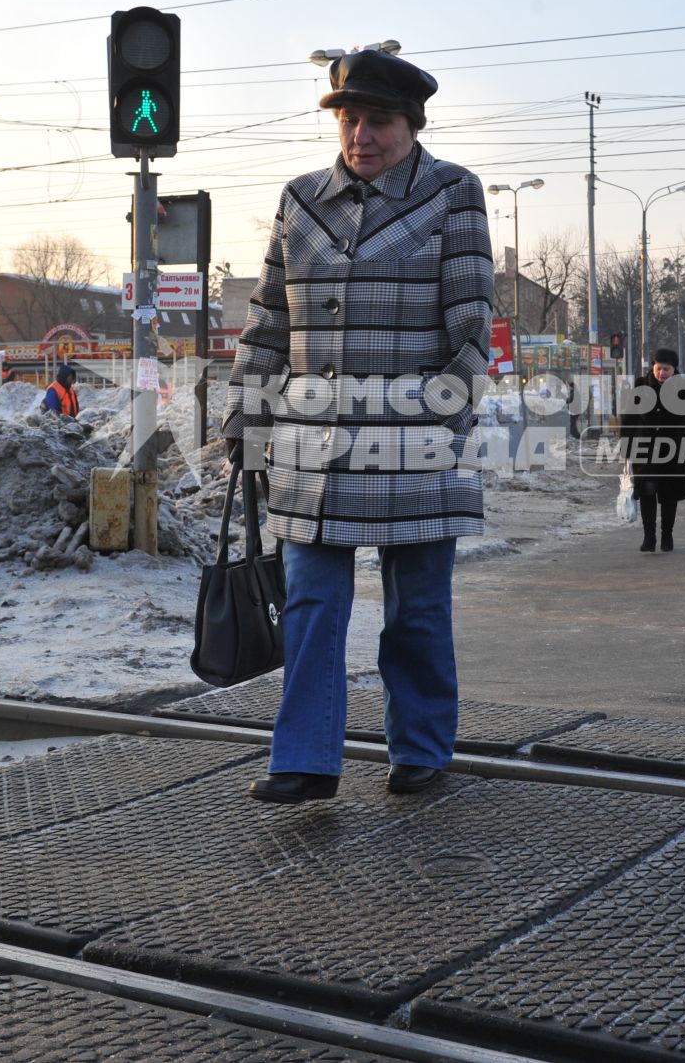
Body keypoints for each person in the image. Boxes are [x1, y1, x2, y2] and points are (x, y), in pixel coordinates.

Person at [220, 48, 493, 805]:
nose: (360, 134)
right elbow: (269, 319)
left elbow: (472, 329)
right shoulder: (301, 200)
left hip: (414, 443)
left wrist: (443, 413)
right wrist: (246, 412)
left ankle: (422, 747)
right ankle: (304, 757)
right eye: (347, 118)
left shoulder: (453, 194)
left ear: (410, 125)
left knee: (418, 609)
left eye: (377, 120)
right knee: (310, 605)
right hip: (314, 447)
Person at [617, 348, 685, 553]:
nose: (662, 373)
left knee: (669, 495)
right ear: (653, 367)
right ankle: (649, 536)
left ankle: (667, 535)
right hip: (644, 450)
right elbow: (629, 418)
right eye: (659, 369)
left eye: (666, 369)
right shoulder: (641, 386)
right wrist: (626, 447)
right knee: (647, 491)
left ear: (674, 369)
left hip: (674, 451)